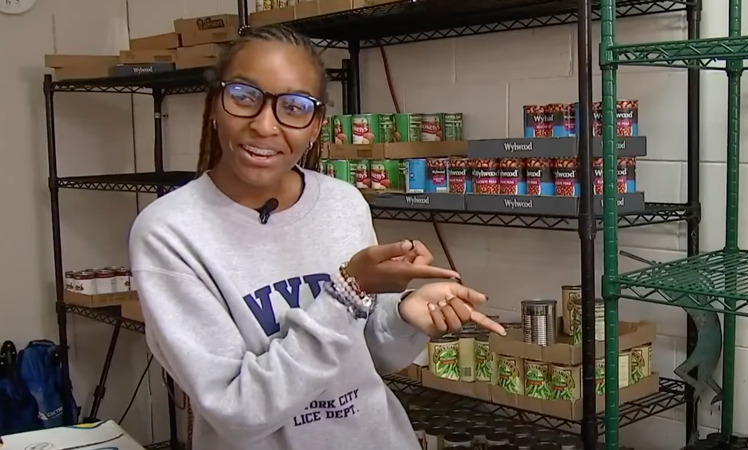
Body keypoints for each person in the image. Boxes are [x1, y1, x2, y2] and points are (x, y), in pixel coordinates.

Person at [128, 25, 504, 450]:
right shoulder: (170, 232)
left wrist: (403, 317)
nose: (265, 125)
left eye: (294, 107)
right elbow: (238, 411)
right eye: (244, 97)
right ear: (216, 104)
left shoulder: (343, 203)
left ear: (316, 125)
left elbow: (368, 356)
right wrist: (348, 291)